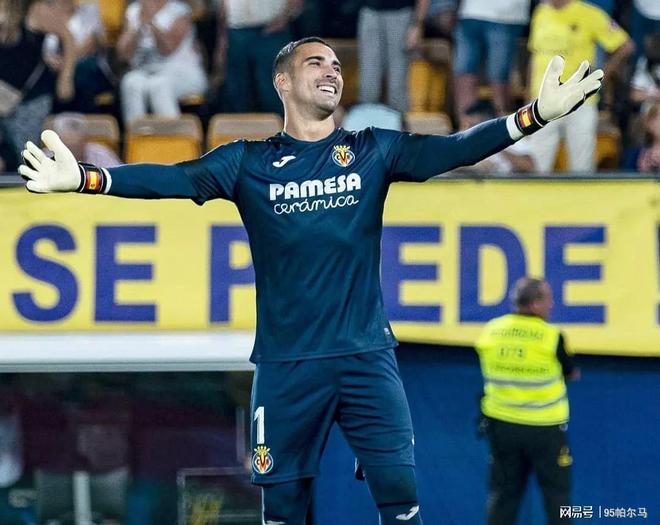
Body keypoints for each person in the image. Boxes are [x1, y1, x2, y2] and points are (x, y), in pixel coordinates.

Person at [18, 37, 602, 524]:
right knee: (283, 508)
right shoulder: (246, 162)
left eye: (338, 65)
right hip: (287, 365)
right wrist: (88, 178)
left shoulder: (372, 151)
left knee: (401, 500)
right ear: (283, 82)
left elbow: (455, 149)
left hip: (366, 356)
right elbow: (173, 178)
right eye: (316, 62)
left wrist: (535, 115)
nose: (332, 71)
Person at [475, 277, 580, 525]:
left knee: (502, 496)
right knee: (557, 497)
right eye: (548, 299)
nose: (551, 305)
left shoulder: (492, 330)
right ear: (535, 304)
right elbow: (571, 373)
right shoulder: (551, 336)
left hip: (502, 427)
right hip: (546, 429)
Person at [527, 0, 634, 173]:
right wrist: (528, 97)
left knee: (582, 166)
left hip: (579, 99)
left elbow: (625, 46)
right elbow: (534, 55)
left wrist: (601, 76)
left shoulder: (590, 13)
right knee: (536, 164)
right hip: (542, 99)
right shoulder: (540, 12)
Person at [0, 0, 74, 159]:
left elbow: (67, 37)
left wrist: (65, 78)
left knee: (23, 153)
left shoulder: (37, 8)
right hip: (4, 94)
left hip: (30, 98)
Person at [116, 0, 207, 125]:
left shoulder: (179, 11)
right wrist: (136, 29)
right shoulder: (133, 11)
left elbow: (167, 49)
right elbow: (123, 54)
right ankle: (136, 133)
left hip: (183, 72)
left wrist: (151, 21)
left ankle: (170, 134)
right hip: (145, 72)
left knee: (159, 85)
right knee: (130, 82)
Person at [211, 0, 303, 114]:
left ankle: (279, 124)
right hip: (235, 33)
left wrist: (285, 18)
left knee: (273, 92)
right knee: (237, 93)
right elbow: (223, 6)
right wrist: (222, 39)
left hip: (271, 32)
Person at [452, 0, 531, 126]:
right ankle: (465, 125)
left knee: (499, 74)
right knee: (465, 71)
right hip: (470, 12)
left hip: (506, 15)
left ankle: (503, 126)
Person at [43, 0, 115, 113]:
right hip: (54, 67)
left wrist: (65, 63)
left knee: (80, 71)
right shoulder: (44, 16)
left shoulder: (89, 11)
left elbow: (89, 46)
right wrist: (50, 60)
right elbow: (43, 50)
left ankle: (81, 115)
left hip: (87, 66)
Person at [357, 0, 429, 113]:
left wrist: (417, 25)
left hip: (400, 14)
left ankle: (399, 122)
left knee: (397, 86)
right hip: (370, 12)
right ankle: (366, 122)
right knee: (368, 85)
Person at [460, 100, 536, 173]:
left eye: (471, 125)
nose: (466, 129)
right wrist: (473, 167)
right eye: (465, 125)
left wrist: (498, 146)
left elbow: (530, 167)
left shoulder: (513, 137)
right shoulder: (464, 142)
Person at [50, 113, 121, 167]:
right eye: (67, 145)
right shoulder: (46, 157)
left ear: (85, 140)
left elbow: (119, 177)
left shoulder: (101, 154)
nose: (70, 152)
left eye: (76, 145)